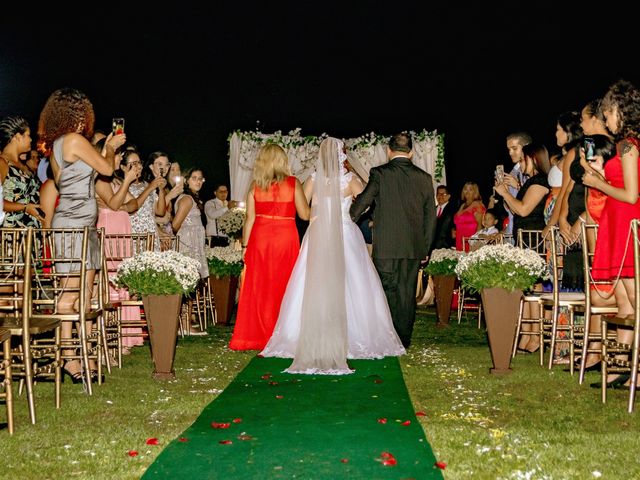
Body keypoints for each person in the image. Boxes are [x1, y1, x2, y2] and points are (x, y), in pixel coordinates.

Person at [261, 138, 405, 374]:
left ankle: (301, 333)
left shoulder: (314, 179)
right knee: (353, 281)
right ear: (341, 155)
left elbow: (303, 208)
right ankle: (357, 333)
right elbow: (369, 202)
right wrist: (351, 213)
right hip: (344, 231)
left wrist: (318, 214)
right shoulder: (350, 180)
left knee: (315, 281)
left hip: (317, 234)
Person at [37, 87, 125, 383]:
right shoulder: (73, 140)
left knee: (84, 295)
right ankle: (69, 358)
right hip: (72, 227)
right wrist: (111, 145)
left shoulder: (58, 147)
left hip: (83, 228)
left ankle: (85, 353)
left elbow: (72, 181)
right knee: (69, 296)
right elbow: (107, 169)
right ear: (79, 114)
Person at [350, 132, 436, 348]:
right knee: (407, 294)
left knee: (386, 292)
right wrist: (425, 247)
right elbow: (430, 217)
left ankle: (387, 340)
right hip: (413, 247)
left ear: (388, 151)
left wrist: (352, 212)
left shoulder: (380, 173)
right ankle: (403, 340)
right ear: (412, 152)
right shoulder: (424, 178)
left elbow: (362, 205)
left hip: (386, 246)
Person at [582, 79, 640, 387]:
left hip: (628, 224)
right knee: (625, 303)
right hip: (617, 224)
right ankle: (620, 367)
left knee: (635, 299)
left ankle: (637, 370)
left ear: (622, 110)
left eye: (609, 112)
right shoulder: (628, 145)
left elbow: (631, 195)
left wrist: (597, 184)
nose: (607, 119)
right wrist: (602, 175)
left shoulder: (628, 144)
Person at [230, 144, 311, 351]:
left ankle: (258, 335)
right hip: (285, 237)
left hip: (261, 237)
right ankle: (284, 332)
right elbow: (305, 215)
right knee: (285, 284)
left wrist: (245, 247)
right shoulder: (294, 184)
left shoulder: (255, 186)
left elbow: (249, 219)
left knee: (259, 286)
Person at [453, 182, 485, 251]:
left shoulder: (477, 205)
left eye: (470, 189)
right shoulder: (462, 205)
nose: (467, 192)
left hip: (470, 240)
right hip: (460, 239)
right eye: (465, 189)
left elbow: (480, 226)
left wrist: (475, 243)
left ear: (475, 192)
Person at [431, 185, 456, 251]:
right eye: (438, 194)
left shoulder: (454, 209)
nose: (440, 196)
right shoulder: (432, 210)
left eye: (443, 194)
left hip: (447, 246)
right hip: (433, 247)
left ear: (448, 196)